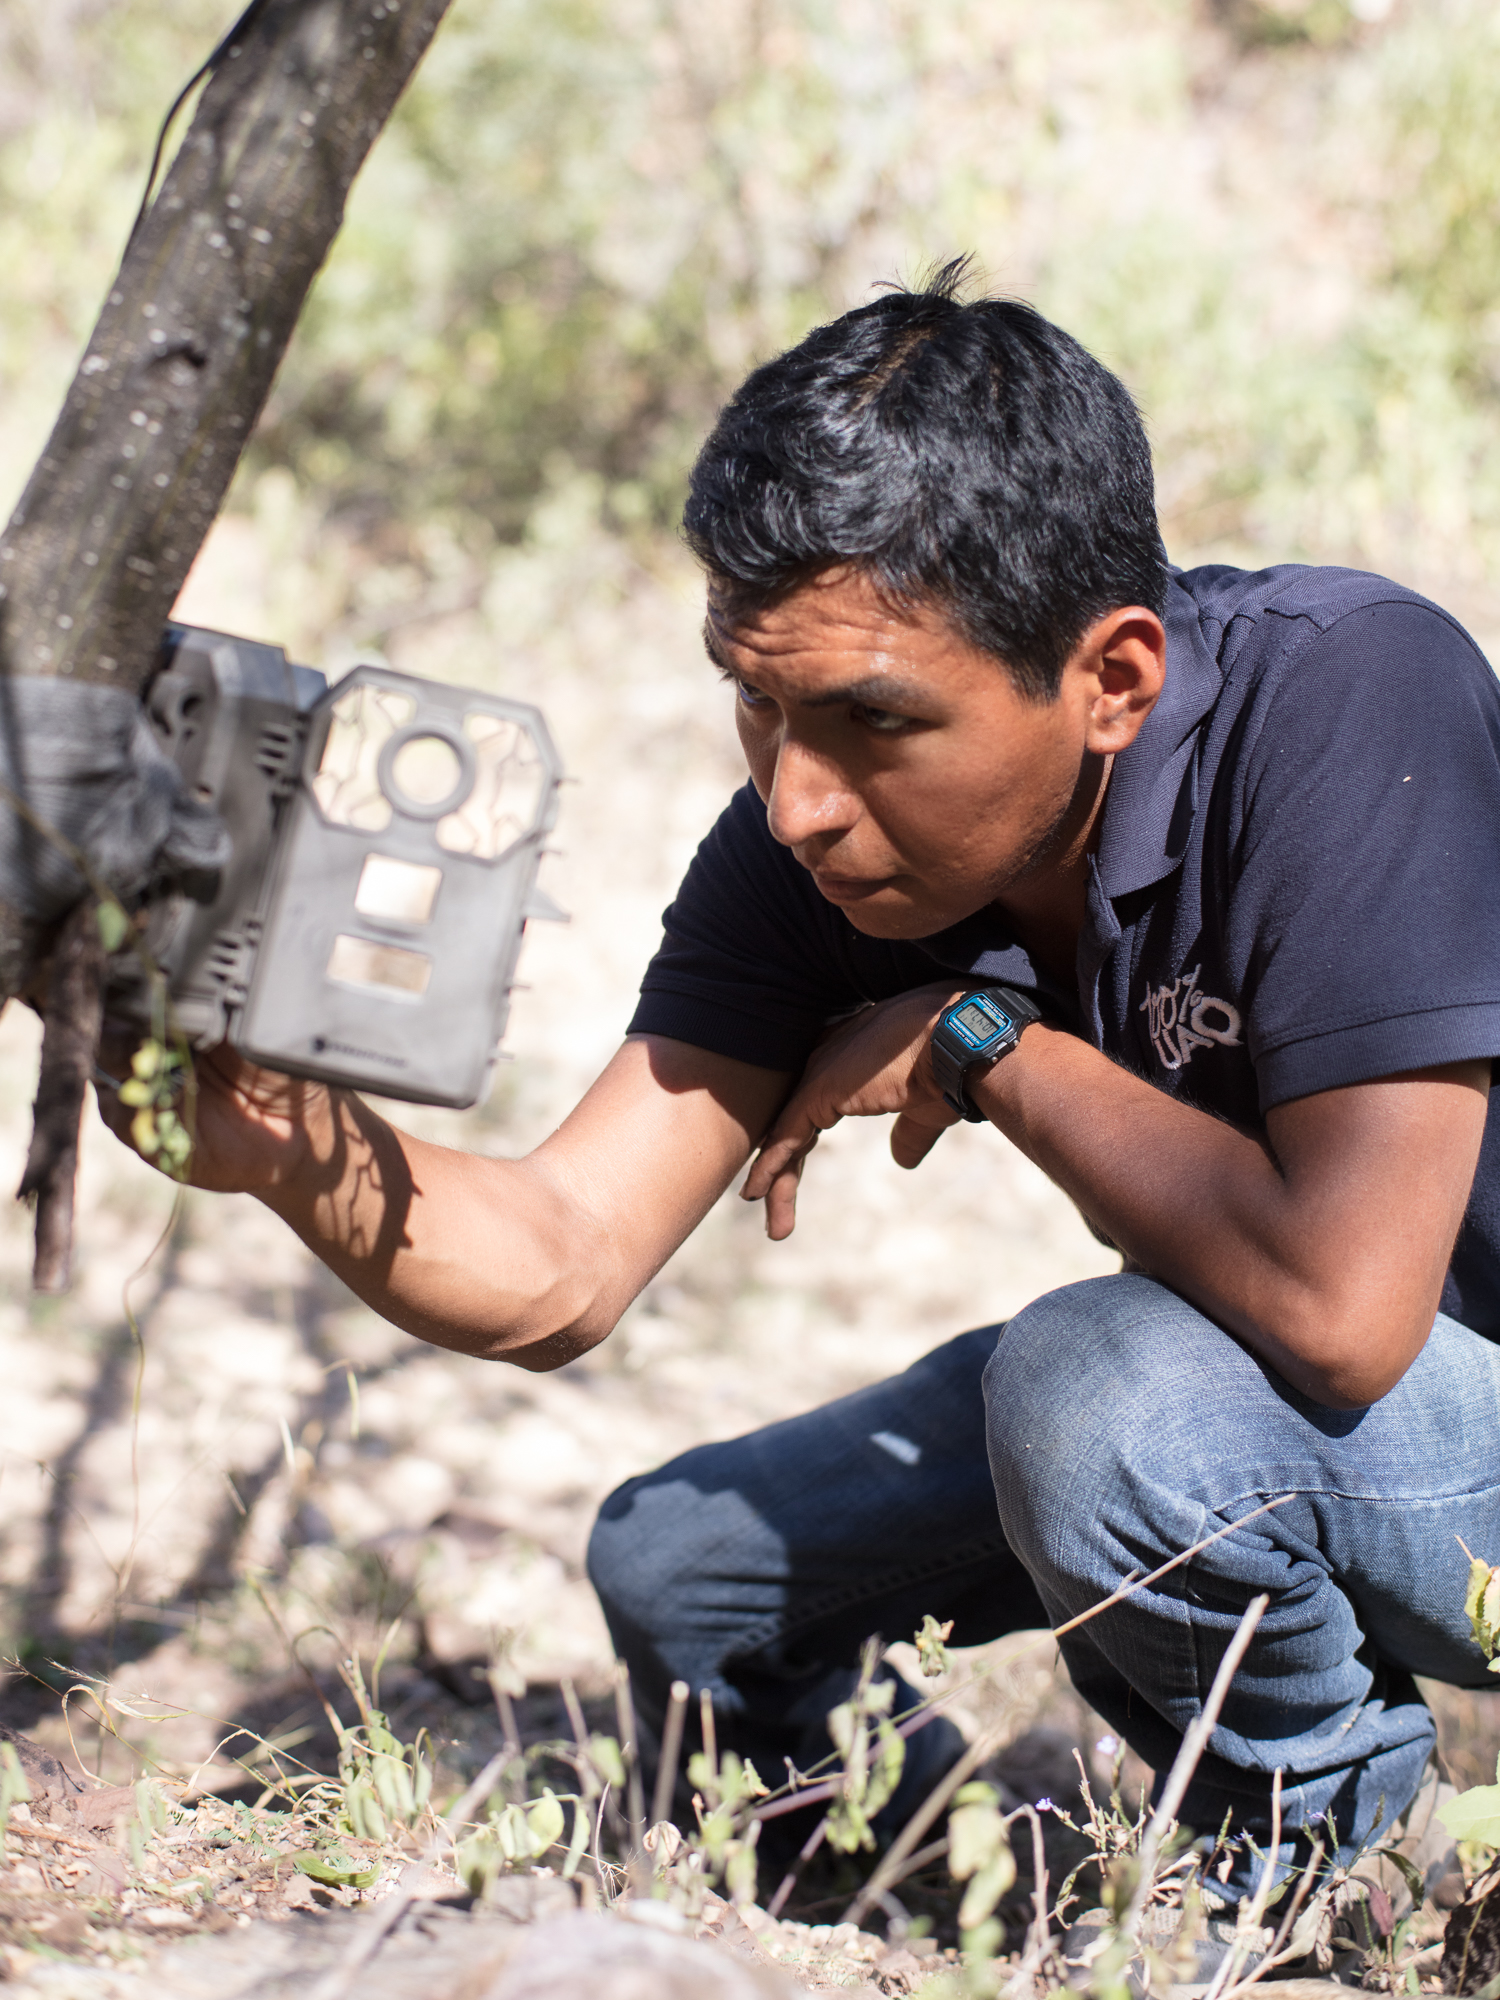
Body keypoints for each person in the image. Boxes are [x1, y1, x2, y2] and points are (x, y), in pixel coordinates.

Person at [109, 263, 1500, 1892]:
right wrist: (289, 1144)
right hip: (1323, 1417)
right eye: (754, 706)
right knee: (683, 1568)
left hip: (1423, 1406)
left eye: (870, 720)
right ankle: (929, 1859)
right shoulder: (816, 855)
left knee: (1102, 1391)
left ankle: (1331, 1872)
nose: (795, 801)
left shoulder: (1345, 695)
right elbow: (561, 1262)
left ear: (1112, 679)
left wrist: (987, 1046)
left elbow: (1342, 1307)